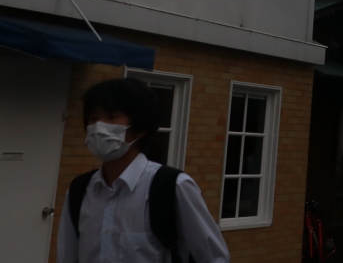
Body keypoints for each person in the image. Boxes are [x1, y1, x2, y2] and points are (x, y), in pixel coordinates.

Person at [57, 78, 229, 263]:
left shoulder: (171, 187)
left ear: (141, 128)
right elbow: (67, 256)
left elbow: (215, 257)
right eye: (93, 118)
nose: (99, 127)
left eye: (111, 117)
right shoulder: (80, 191)